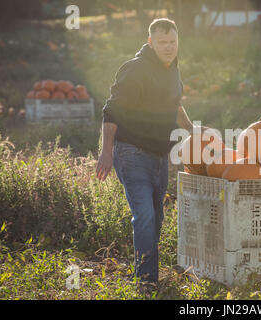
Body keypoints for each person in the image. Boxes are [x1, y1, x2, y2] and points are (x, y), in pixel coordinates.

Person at [95, 18, 195, 289]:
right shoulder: (135, 69)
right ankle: (146, 280)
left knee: (157, 215)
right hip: (131, 152)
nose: (168, 47)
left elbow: (175, 104)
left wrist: (192, 128)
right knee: (145, 214)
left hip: (159, 155)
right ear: (150, 42)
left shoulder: (172, 71)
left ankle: (145, 268)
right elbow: (110, 111)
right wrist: (106, 152)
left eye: (173, 42)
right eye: (162, 43)